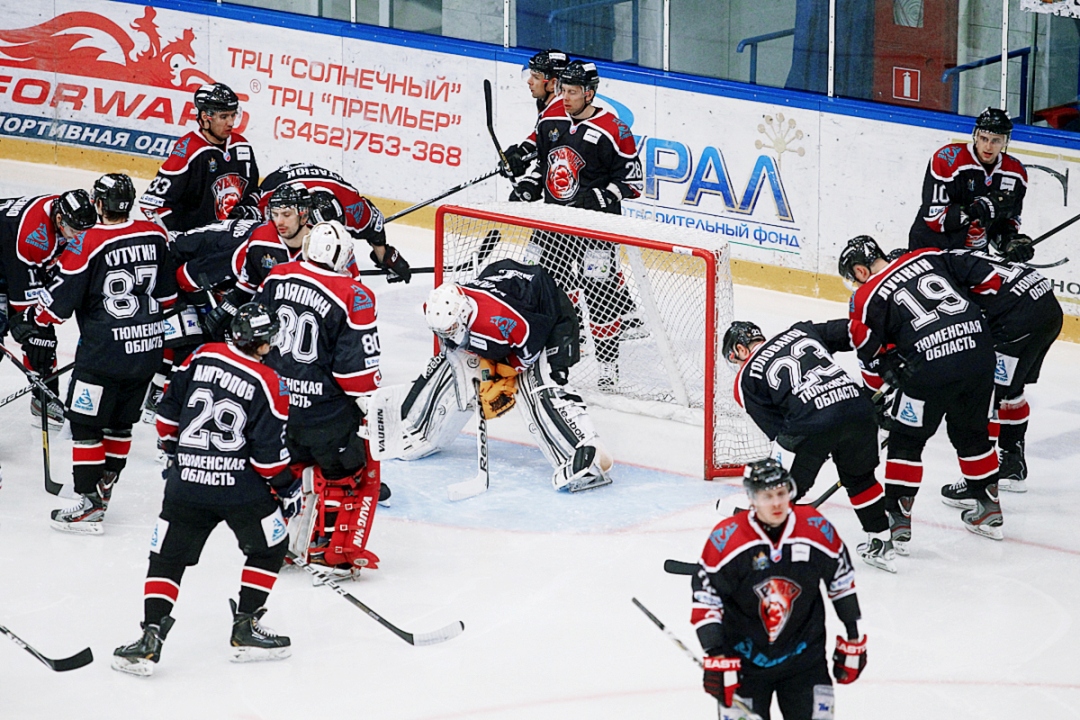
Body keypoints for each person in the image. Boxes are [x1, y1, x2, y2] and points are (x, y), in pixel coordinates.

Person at [111, 303, 296, 676]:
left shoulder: (201, 355)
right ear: (260, 343)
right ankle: (245, 627)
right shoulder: (270, 382)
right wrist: (286, 489)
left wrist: (174, 451)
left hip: (186, 485)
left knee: (167, 557)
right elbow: (268, 459)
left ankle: (150, 636)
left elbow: (165, 417)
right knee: (271, 547)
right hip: (239, 489)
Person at [10, 174, 177, 533]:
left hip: (103, 354)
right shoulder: (155, 233)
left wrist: (30, 322)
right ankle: (105, 487)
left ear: (98, 204)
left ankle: (88, 503)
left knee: (85, 423)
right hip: (148, 348)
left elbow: (56, 307)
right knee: (120, 423)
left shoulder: (88, 242)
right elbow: (167, 298)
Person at [838, 235, 1004, 548]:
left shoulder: (866, 296)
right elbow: (989, 279)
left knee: (907, 440)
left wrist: (875, 397)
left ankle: (896, 522)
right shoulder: (929, 255)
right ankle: (988, 507)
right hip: (979, 354)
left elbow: (867, 352)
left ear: (860, 271)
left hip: (929, 367)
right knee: (972, 434)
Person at [401, 258, 614, 492]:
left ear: (463, 313)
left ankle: (586, 450)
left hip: (547, 316)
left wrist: (503, 374)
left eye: (451, 329)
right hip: (515, 302)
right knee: (452, 368)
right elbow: (456, 346)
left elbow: (528, 351)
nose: (448, 334)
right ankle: (419, 430)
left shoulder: (497, 319)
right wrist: (482, 372)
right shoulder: (440, 311)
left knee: (538, 389)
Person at [254, 220, 386, 577]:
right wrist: (370, 405)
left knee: (286, 470)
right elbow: (354, 373)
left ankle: (273, 541)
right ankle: (329, 547)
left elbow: (252, 337)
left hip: (274, 405)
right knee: (346, 473)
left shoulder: (278, 275)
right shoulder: (354, 294)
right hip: (323, 412)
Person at [691, 458, 865, 720]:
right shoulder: (727, 539)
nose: (776, 503)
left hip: (805, 660)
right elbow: (707, 599)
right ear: (751, 498)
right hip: (743, 663)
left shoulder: (815, 528)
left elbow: (840, 580)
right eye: (767, 495)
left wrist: (853, 636)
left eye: (782, 493)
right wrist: (715, 653)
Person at [722, 319, 895, 573]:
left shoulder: (745, 379)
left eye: (734, 359)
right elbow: (854, 330)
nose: (737, 366)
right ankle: (882, 543)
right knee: (861, 480)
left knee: (777, 490)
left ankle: (766, 556)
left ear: (741, 350)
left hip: (811, 422)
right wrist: (887, 362)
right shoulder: (801, 331)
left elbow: (779, 431)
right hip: (858, 408)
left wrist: (814, 450)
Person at [513, 60, 644, 391]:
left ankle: (608, 366)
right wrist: (529, 185)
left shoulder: (614, 130)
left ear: (589, 93)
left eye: (572, 92)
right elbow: (543, 165)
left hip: (595, 229)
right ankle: (557, 350)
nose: (565, 98)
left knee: (600, 294)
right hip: (554, 222)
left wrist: (601, 197)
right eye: (562, 90)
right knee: (544, 285)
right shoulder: (551, 119)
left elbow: (634, 181)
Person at [940, 249, 1062, 504]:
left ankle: (982, 481)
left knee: (986, 396)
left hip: (1019, 321)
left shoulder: (934, 278)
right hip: (1046, 308)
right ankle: (1012, 464)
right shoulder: (949, 256)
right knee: (1011, 390)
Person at [0, 190, 97, 427]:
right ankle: (44, 395)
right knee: (31, 331)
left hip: (12, 256)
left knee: (39, 334)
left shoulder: (71, 213)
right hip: (8, 259)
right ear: (59, 219)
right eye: (74, 232)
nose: (78, 238)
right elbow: (26, 308)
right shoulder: (34, 237)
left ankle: (43, 398)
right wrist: (27, 325)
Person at [908, 107, 1032, 263]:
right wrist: (976, 210)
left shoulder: (1015, 173)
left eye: (996, 140)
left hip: (973, 257)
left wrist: (1011, 243)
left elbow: (1006, 221)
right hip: (932, 249)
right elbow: (935, 218)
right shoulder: (947, 160)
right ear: (975, 136)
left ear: (1005, 142)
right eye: (984, 138)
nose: (988, 146)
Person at [256, 163, 411, 283]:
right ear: (303, 219)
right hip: (278, 180)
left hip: (331, 186)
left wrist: (385, 257)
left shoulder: (352, 206)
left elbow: (374, 226)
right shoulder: (271, 204)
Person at [138, 83, 261, 233]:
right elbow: (152, 205)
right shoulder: (189, 151)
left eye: (233, 114)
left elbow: (253, 189)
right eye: (223, 117)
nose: (231, 122)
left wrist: (246, 210)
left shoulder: (241, 146)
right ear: (205, 117)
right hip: (196, 243)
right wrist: (178, 238)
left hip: (226, 238)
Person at [203, 184, 315, 340]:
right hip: (271, 330)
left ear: (303, 215)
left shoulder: (326, 244)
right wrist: (225, 310)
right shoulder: (261, 240)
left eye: (286, 214)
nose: (279, 222)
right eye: (275, 214)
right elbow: (246, 289)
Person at [499, 49, 570, 183]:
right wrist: (522, 151)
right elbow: (541, 135)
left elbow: (555, 160)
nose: (529, 81)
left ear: (553, 84)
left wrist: (534, 179)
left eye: (536, 77)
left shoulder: (559, 115)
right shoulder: (547, 103)